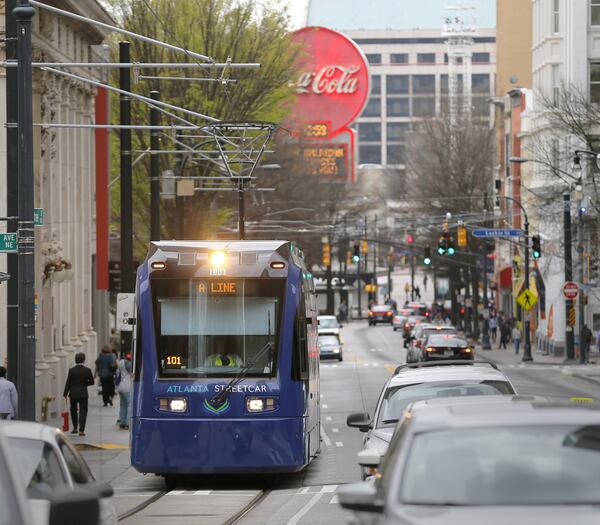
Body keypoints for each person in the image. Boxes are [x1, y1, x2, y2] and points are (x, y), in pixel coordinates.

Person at [63, 352, 94, 436]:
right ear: (83, 360)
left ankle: (75, 428)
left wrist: (65, 394)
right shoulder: (87, 370)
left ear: (75, 360)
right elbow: (92, 382)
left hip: (73, 393)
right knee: (83, 410)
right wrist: (84, 384)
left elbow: (68, 383)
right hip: (83, 393)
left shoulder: (71, 370)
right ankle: (81, 430)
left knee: (73, 410)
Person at [116, 353, 133, 430]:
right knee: (129, 405)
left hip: (120, 386)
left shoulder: (121, 362)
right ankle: (127, 423)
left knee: (123, 405)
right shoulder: (128, 364)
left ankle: (122, 422)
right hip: (127, 387)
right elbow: (132, 373)